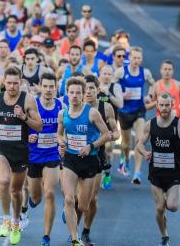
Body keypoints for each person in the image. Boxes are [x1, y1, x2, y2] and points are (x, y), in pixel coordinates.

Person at [0, 67, 43, 245]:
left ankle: (16, 222)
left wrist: (23, 117)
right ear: (4, 83)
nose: (12, 86)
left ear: (21, 82)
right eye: (8, 83)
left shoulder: (28, 100)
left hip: (21, 152)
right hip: (1, 148)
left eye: (15, 83)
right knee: (4, 180)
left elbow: (39, 126)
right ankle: (6, 220)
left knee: (16, 192)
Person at [136, 93, 180, 246]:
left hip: (174, 173)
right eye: (161, 105)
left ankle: (166, 210)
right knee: (159, 207)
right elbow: (139, 144)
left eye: (167, 105)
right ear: (157, 105)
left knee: (172, 206)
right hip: (156, 172)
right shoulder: (150, 124)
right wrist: (144, 153)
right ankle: (164, 237)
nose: (164, 108)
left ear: (172, 105)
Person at [56, 76, 111, 246]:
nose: (74, 96)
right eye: (71, 92)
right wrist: (61, 142)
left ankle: (72, 213)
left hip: (90, 160)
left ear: (82, 94)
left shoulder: (92, 113)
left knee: (83, 206)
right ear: (67, 94)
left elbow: (107, 134)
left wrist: (91, 145)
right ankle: (74, 239)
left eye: (78, 93)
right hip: (71, 159)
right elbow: (59, 133)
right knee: (69, 199)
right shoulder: (62, 114)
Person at [79, 75, 120, 246]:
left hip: (96, 156)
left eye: (91, 89)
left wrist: (108, 136)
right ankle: (73, 225)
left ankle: (85, 231)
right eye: (85, 89)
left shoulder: (106, 107)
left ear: (97, 90)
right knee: (75, 198)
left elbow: (116, 132)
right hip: (76, 156)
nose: (88, 92)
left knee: (92, 199)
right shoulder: (75, 106)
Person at [26, 73, 63, 246]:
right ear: (40, 86)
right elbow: (21, 125)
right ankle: (32, 199)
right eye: (45, 86)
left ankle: (46, 236)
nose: (48, 90)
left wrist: (62, 139)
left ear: (56, 87)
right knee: (37, 197)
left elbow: (66, 128)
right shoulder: (32, 104)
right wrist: (28, 137)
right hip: (33, 156)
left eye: (51, 86)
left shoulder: (61, 105)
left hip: (52, 155)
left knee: (49, 193)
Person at [115, 46, 155, 183]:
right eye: (134, 57)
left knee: (139, 140)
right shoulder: (120, 72)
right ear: (129, 58)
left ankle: (137, 173)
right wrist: (121, 94)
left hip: (139, 110)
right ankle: (125, 158)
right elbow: (111, 87)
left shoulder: (146, 72)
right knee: (126, 144)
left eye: (139, 58)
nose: (136, 60)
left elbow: (154, 85)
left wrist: (150, 95)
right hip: (124, 112)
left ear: (141, 59)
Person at [98, 64, 124, 190]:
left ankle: (107, 174)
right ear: (100, 74)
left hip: (111, 125)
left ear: (112, 76)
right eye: (104, 73)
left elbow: (120, 104)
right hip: (95, 125)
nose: (107, 76)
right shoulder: (95, 86)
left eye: (109, 74)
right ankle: (96, 174)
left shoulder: (116, 87)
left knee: (108, 151)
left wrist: (108, 94)